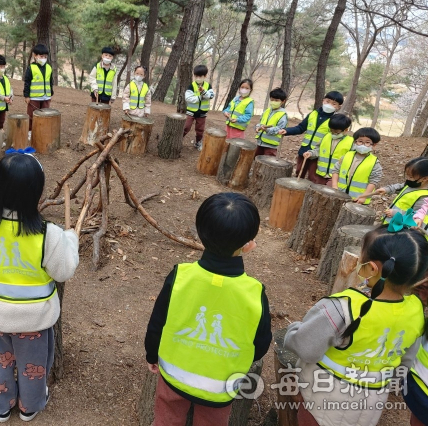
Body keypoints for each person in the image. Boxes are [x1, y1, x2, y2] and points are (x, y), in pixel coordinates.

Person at [0, 151, 79, 423]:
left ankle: (1, 406)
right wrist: (71, 240)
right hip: (35, 319)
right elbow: (64, 271)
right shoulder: (47, 233)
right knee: (33, 367)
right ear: (36, 192)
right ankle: (30, 406)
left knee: (0, 361)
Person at [145, 193, 271, 426]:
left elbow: (157, 322)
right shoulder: (254, 291)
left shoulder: (180, 276)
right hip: (221, 385)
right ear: (248, 245)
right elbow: (261, 342)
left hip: (174, 375)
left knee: (166, 420)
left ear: (201, 235)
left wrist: (151, 354)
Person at [285, 226, 428, 426]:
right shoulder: (416, 310)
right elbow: (405, 361)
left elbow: (306, 348)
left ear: (372, 268)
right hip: (372, 403)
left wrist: (292, 332)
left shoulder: (343, 307)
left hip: (324, 398)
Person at [278, 91, 343, 183]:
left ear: (338, 107)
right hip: (305, 150)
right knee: (299, 173)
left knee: (313, 178)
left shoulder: (335, 121)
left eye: (334, 104)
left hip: (319, 154)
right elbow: (301, 128)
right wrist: (287, 131)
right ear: (323, 100)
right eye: (327, 101)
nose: (329, 105)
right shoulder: (313, 114)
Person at [331, 127, 382, 204]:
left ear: (374, 145)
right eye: (360, 141)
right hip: (340, 195)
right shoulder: (346, 156)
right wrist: (335, 186)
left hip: (358, 200)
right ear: (355, 142)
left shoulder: (374, 163)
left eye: (367, 142)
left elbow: (373, 181)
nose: (363, 145)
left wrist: (364, 196)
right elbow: (336, 170)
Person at [374, 158, 428, 224]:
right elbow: (399, 186)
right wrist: (387, 189)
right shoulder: (411, 184)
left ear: (425, 178)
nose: (408, 179)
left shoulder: (424, 197)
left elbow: (417, 215)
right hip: (389, 222)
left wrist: (397, 213)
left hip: (399, 228)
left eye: (411, 177)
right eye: (407, 175)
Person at [303, 114, 353, 184]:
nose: (333, 134)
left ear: (345, 130)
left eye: (336, 132)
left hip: (336, 176)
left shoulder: (351, 142)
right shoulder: (326, 137)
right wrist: (311, 153)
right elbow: (318, 150)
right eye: (331, 131)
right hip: (321, 173)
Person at [23, 44, 54, 133]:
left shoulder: (49, 67)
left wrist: (50, 93)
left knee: (45, 115)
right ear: (35, 56)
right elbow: (27, 82)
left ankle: (42, 131)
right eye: (41, 56)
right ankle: (30, 131)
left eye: (45, 56)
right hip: (34, 97)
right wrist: (26, 96)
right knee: (32, 115)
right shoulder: (31, 68)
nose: (43, 58)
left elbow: (50, 81)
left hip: (46, 97)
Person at [183, 65, 215, 151]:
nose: (198, 78)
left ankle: (198, 142)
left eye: (200, 76)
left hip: (202, 113)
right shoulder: (192, 86)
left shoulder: (208, 86)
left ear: (205, 76)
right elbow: (188, 98)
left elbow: (211, 96)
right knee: (186, 127)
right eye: (196, 76)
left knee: (200, 129)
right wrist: (199, 98)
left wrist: (204, 92)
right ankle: (179, 139)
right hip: (191, 112)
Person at [254, 87, 288, 157]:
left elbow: (280, 129)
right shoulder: (267, 111)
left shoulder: (282, 114)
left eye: (276, 100)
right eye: (272, 100)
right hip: (260, 142)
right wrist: (258, 127)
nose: (273, 102)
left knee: (267, 162)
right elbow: (261, 122)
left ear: (283, 101)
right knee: (256, 160)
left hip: (271, 146)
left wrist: (267, 129)